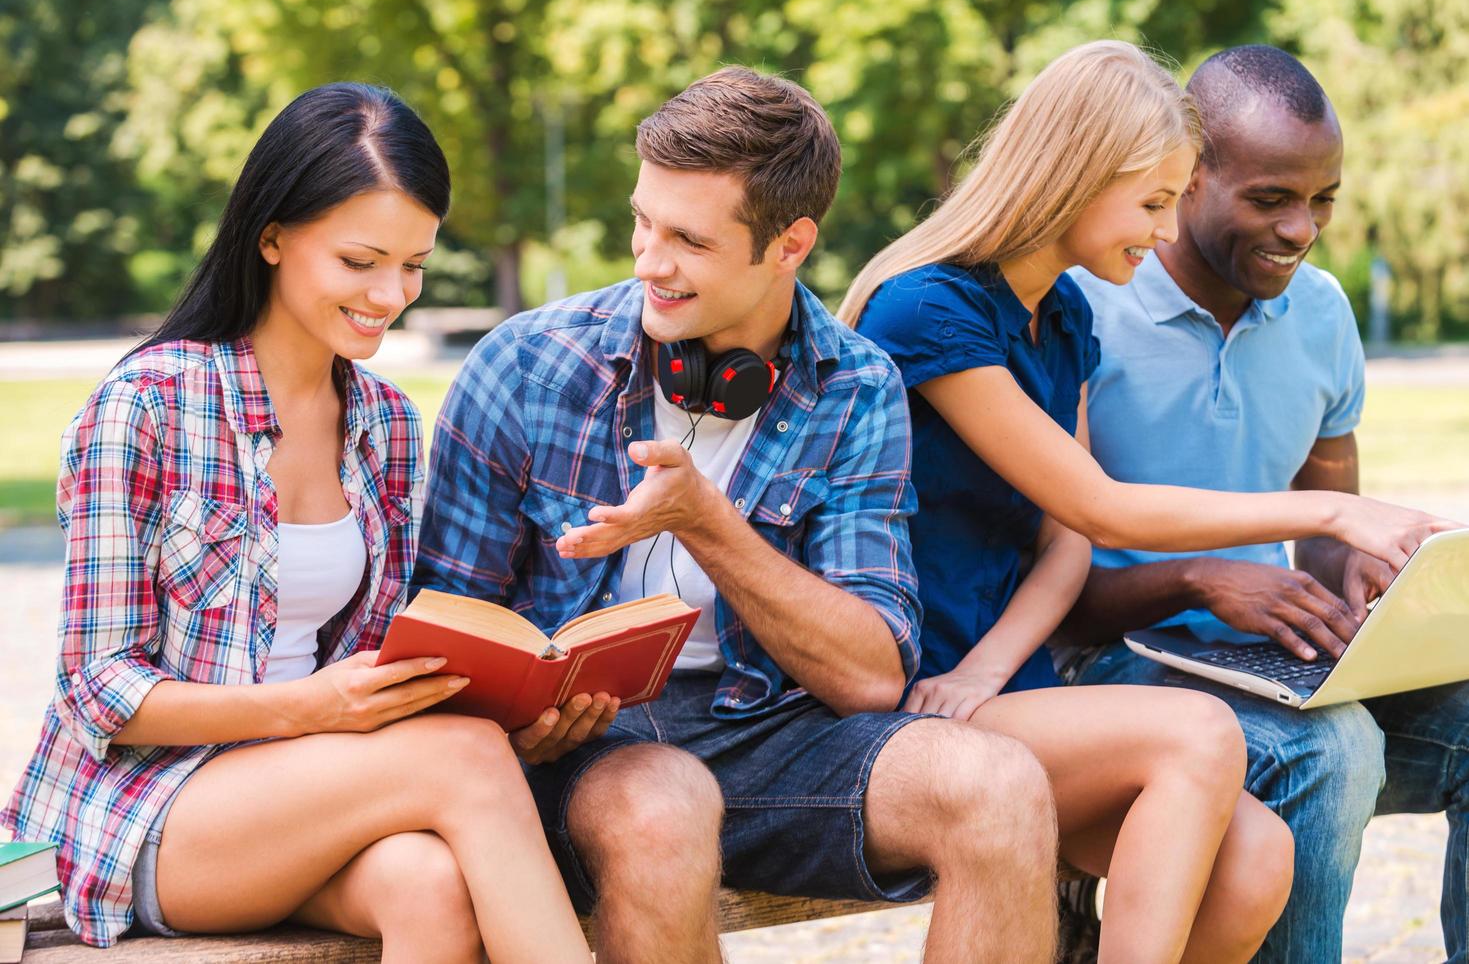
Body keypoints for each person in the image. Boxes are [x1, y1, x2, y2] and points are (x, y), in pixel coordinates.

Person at [414, 66, 1062, 964]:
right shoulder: (527, 364)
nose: (648, 260)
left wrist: (707, 523)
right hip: (581, 756)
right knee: (661, 804)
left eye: (687, 239)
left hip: (770, 734)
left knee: (997, 783)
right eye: (642, 221)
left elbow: (872, 674)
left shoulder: (858, 386)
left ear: (789, 245)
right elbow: (443, 619)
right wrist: (517, 723)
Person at [838, 40, 1455, 961]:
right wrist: (1322, 515)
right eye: (1155, 203)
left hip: (998, 674)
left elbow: (1062, 540)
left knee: (1253, 862)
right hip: (926, 680)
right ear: (1079, 179)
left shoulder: (1066, 318)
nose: (1164, 234)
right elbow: (1101, 510)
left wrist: (987, 670)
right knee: (1259, 743)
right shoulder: (927, 310)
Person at [0, 83, 591, 962]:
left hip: (304, 795)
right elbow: (99, 692)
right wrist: (307, 709)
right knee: (462, 759)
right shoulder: (149, 404)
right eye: (361, 261)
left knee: (430, 887)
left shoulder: (386, 423)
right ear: (272, 236)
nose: (391, 294)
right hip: (146, 812)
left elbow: (375, 654)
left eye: (414, 264)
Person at [1056, 45, 1469, 963]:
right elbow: (1048, 590)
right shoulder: (1085, 302)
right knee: (1329, 749)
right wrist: (1203, 583)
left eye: (1322, 198)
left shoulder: (1321, 314)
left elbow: (1326, 522)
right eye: (1270, 198)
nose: (1303, 228)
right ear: (1187, 175)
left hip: (1260, 666)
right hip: (1099, 670)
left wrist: (1364, 577)